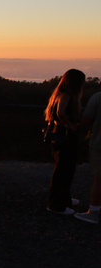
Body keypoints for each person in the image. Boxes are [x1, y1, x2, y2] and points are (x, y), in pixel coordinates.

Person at [45, 69, 85, 215]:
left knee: (63, 168)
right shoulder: (67, 95)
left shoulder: (58, 94)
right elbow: (61, 112)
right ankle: (56, 205)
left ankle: (64, 198)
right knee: (64, 170)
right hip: (65, 134)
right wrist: (70, 125)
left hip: (57, 133)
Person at [75, 90, 101, 224]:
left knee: (98, 179)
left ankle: (94, 213)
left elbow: (86, 120)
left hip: (98, 144)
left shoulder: (97, 97)